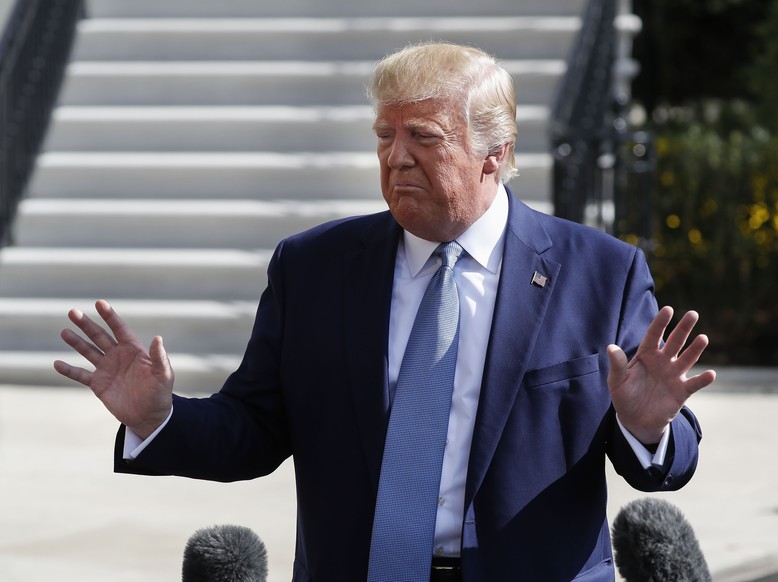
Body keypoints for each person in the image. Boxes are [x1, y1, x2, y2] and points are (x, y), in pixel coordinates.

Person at [54, 42, 716, 582]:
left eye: (423, 137)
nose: (395, 156)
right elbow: (254, 429)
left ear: (497, 154)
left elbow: (668, 456)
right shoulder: (312, 267)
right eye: (384, 136)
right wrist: (159, 419)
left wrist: (646, 429)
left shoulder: (598, 272)